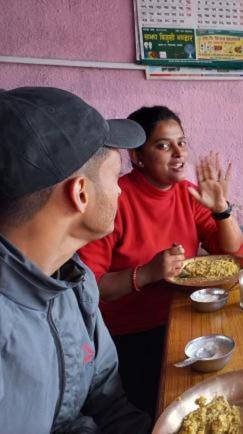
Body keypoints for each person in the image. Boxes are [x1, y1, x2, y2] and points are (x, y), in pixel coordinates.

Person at [79, 105, 243, 418]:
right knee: (164, 411)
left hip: (188, 316)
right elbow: (91, 287)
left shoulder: (187, 193)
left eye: (181, 142)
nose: (178, 153)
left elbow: (232, 252)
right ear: (137, 157)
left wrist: (222, 209)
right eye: (163, 145)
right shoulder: (114, 198)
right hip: (132, 335)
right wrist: (147, 273)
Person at [0, 87, 150, 433]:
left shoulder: (73, 281)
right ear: (80, 193)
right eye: (115, 177)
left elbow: (108, 398)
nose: (120, 190)